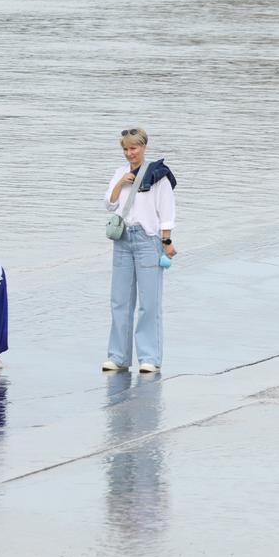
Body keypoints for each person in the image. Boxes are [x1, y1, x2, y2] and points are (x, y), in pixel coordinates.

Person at [103, 127, 177, 374]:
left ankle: (150, 358)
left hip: (148, 240)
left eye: (133, 148)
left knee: (149, 302)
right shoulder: (120, 173)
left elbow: (166, 211)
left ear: (144, 147)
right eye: (125, 149)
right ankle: (118, 357)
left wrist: (166, 242)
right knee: (120, 301)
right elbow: (109, 204)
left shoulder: (158, 175)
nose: (129, 153)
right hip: (123, 238)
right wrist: (121, 183)